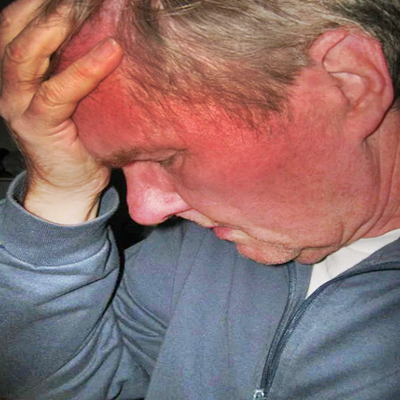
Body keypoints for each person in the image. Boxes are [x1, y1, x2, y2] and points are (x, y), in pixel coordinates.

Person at [1, 0, 400, 398]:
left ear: (349, 82)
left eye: (166, 158)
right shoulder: (191, 254)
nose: (145, 211)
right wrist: (58, 195)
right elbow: (52, 385)